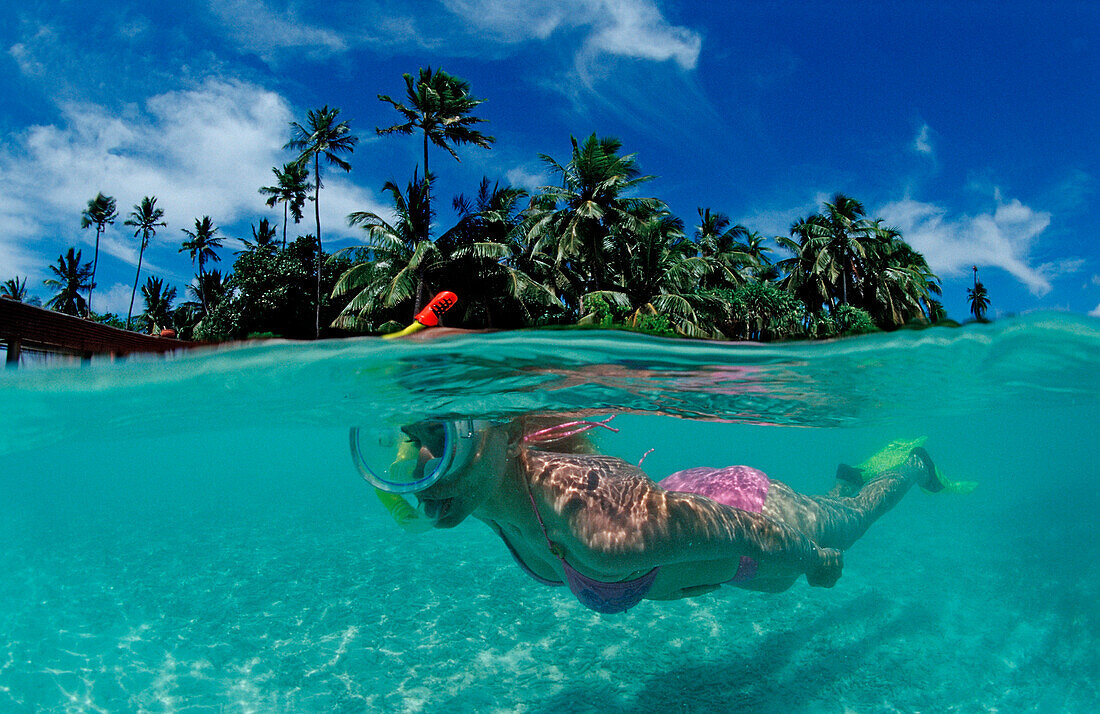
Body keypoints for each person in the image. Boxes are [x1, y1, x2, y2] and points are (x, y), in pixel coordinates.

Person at [350, 417, 962, 614]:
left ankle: (909, 463)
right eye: (408, 443)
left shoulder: (598, 528)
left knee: (848, 525)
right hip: (683, 506)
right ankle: (845, 476)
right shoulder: (478, 494)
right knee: (834, 508)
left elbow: (750, 532)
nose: (423, 467)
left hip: (753, 523)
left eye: (440, 434)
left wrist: (811, 559)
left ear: (502, 426)